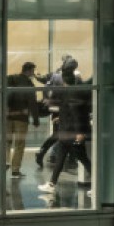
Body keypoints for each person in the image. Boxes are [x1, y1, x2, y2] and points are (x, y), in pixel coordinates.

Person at [38, 59, 92, 193]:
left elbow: (77, 114)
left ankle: (98, 184)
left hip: (71, 132)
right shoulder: (71, 92)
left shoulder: (72, 94)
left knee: (83, 159)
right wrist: (60, 118)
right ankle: (52, 184)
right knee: (63, 158)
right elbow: (70, 111)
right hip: (67, 131)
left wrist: (79, 133)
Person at [0, 61, 41, 176]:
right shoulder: (28, 84)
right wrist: (36, 119)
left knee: (6, 142)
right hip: (21, 118)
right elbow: (32, 103)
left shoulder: (10, 79)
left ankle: (6, 161)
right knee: (19, 144)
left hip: (7, 116)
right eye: (33, 71)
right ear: (30, 71)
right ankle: (15, 169)